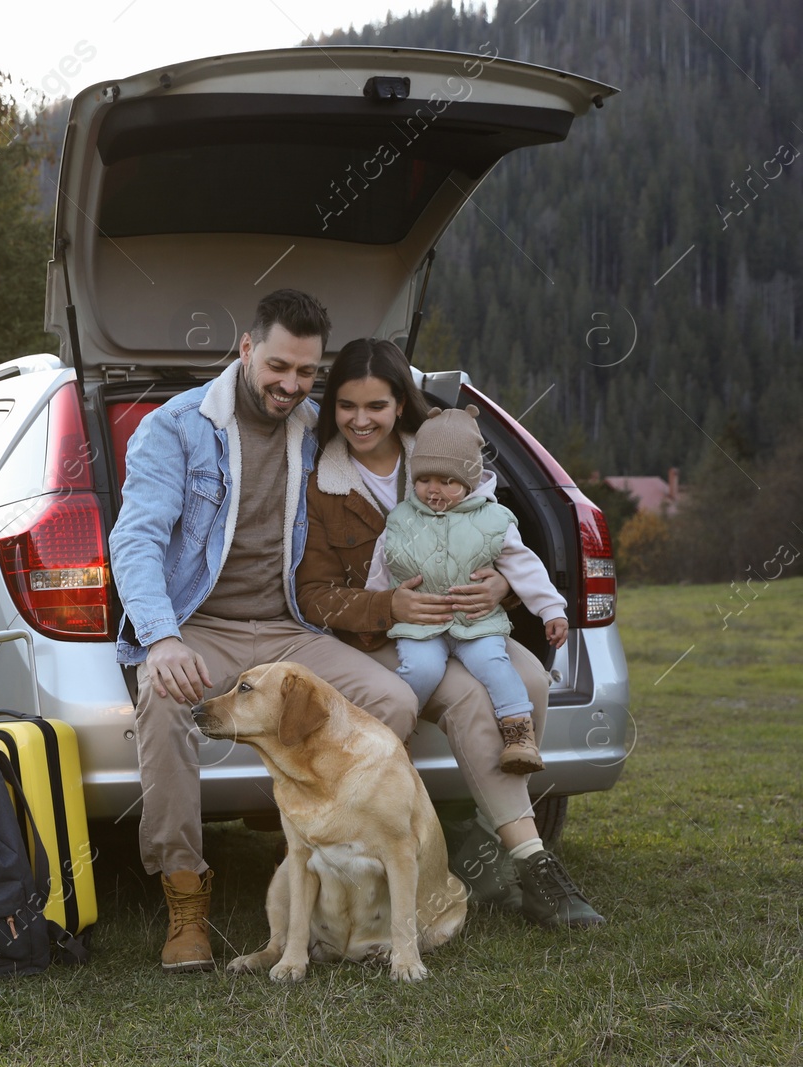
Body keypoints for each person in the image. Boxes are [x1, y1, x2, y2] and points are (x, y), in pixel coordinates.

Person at [110, 290, 439, 972]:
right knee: (166, 698)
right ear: (247, 349)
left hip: (289, 627)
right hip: (200, 623)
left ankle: (340, 860)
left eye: (306, 372)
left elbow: (406, 460)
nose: (291, 385)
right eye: (279, 366)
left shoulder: (318, 427)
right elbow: (136, 538)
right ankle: (186, 901)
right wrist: (162, 637)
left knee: (396, 703)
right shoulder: (175, 428)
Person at [296, 337, 604, 929]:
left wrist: (501, 591)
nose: (361, 420)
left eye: (377, 406)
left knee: (532, 677)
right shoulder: (319, 484)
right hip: (381, 637)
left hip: (466, 620)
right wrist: (390, 604)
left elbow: (501, 541)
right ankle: (532, 862)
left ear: (400, 406)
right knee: (469, 700)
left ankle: (486, 856)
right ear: (331, 406)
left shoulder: (445, 453)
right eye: (347, 407)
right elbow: (313, 594)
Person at [366, 404, 569, 775]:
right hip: (421, 626)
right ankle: (399, 733)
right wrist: (374, 612)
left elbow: (524, 568)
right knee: (420, 669)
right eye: (426, 479)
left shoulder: (494, 521)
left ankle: (519, 734)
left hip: (476, 623)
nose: (435, 490)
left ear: (470, 480)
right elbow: (382, 570)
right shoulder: (400, 520)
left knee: (494, 664)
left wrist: (551, 609)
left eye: (449, 481)